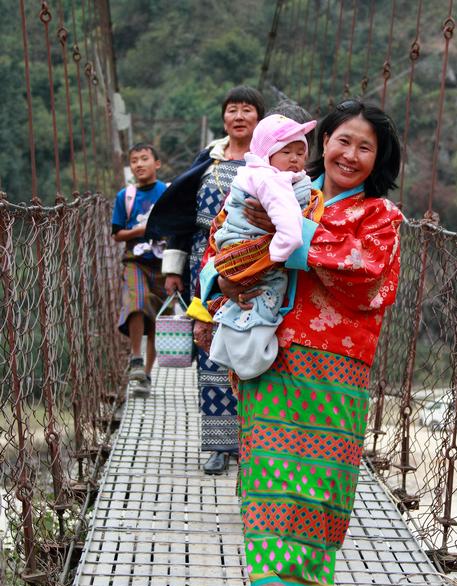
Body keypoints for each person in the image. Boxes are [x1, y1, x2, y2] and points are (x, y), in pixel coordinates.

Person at [200, 99, 402, 586]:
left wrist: (280, 248)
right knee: (268, 485)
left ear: (378, 159)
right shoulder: (277, 188)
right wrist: (224, 284)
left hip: (337, 371)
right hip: (271, 362)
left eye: (366, 147)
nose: (351, 155)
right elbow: (222, 244)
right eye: (342, 141)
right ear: (323, 143)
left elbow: (368, 279)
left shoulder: (380, 217)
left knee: (321, 489)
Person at [146, 85, 265, 475]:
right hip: (204, 264)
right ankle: (219, 444)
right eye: (232, 109)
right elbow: (182, 219)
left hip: (255, 266)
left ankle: (253, 443)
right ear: (223, 118)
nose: (239, 116)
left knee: (253, 348)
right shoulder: (208, 162)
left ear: (258, 119)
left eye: (247, 110)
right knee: (209, 348)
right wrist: (174, 271)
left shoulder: (269, 162)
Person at [203, 114, 322, 380]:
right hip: (260, 306)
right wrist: (222, 280)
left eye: (300, 151)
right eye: (285, 151)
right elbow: (216, 242)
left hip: (310, 357)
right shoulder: (274, 184)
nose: (294, 159)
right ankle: (242, 356)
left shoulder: (293, 187)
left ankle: (236, 354)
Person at [112, 143, 168, 395]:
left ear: (157, 164)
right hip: (134, 261)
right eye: (134, 160)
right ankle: (135, 357)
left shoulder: (168, 193)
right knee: (137, 300)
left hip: (164, 264)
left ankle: (145, 375)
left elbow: (176, 225)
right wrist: (141, 231)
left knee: (156, 319)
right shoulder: (125, 196)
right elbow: (117, 234)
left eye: (145, 159)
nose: (139, 164)